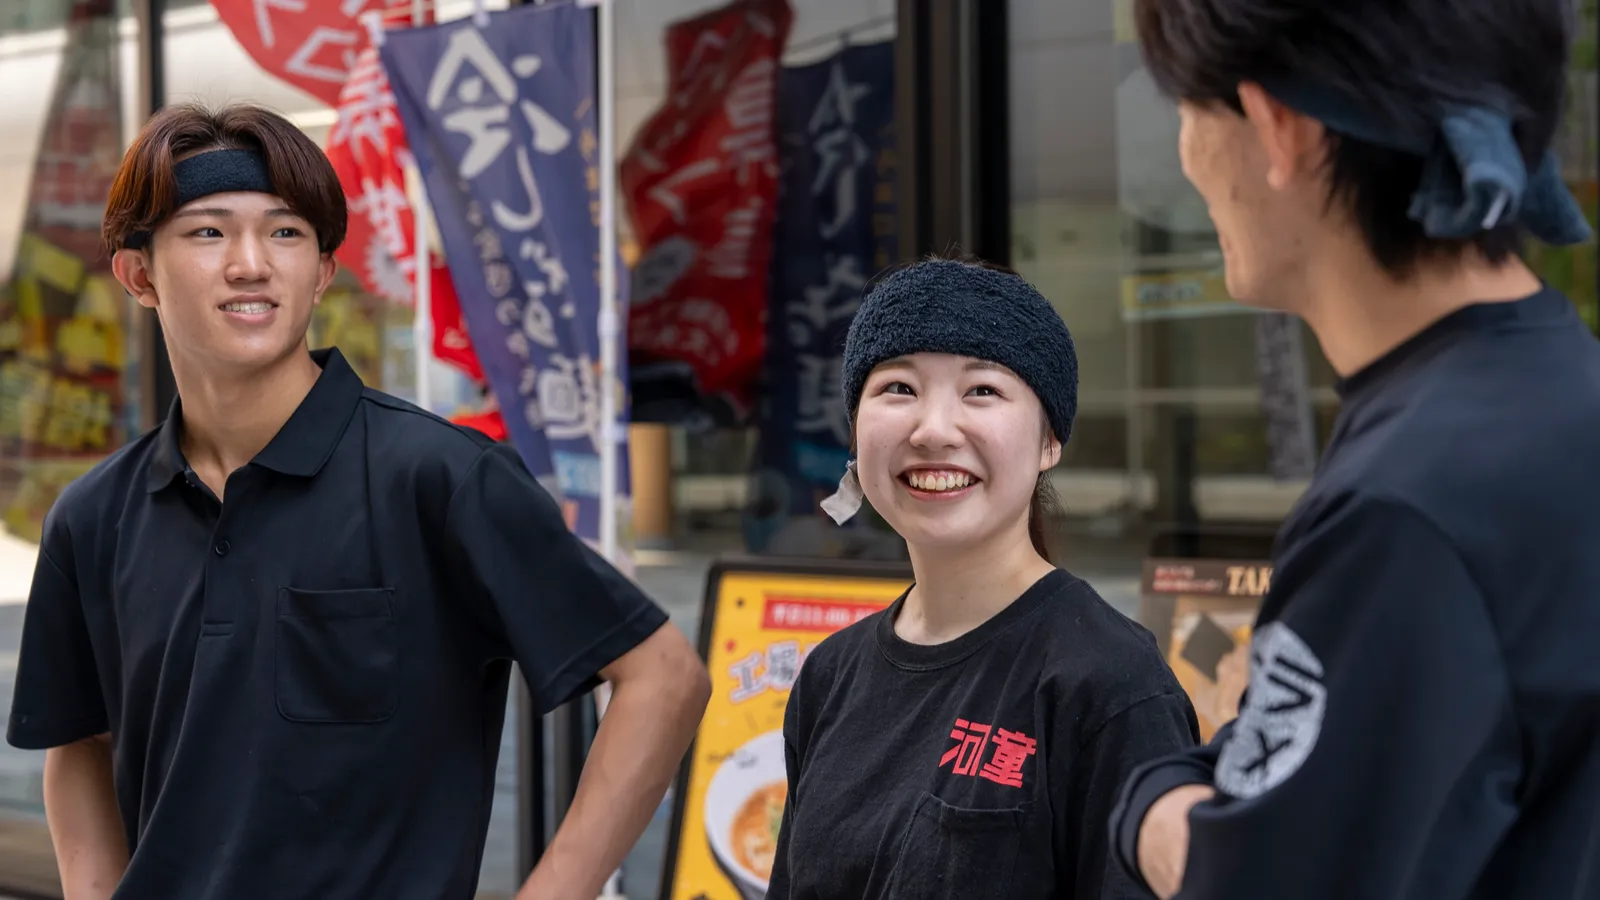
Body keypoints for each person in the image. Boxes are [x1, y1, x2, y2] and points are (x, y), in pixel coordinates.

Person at [6, 102, 711, 900]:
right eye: (208, 232)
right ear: (138, 274)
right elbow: (79, 745)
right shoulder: (93, 517)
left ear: (323, 273)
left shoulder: (439, 478)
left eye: (286, 233)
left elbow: (663, 677)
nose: (251, 263)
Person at [1109, 1, 1600, 898]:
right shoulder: (1561, 394)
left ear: (1278, 127)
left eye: (1186, 111)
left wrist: (1151, 802)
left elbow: (1252, 873)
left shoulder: (1405, 508)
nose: (1185, 157)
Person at [765, 257, 1201, 899]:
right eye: (898, 389)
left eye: (983, 391)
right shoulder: (830, 676)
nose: (934, 430)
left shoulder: (1110, 681)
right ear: (855, 432)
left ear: (1051, 440)